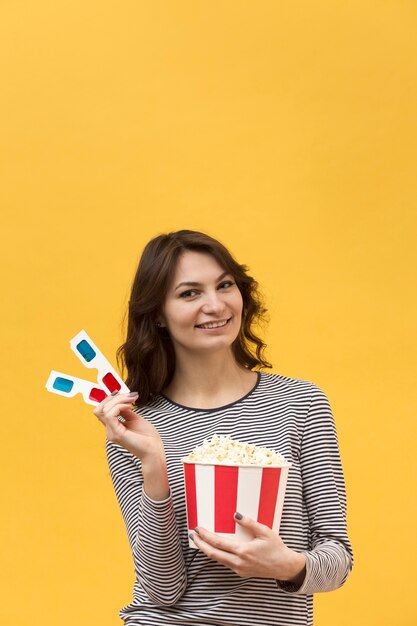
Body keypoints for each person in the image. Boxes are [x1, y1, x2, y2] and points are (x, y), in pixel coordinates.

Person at [94, 229, 353, 626]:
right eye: (189, 293)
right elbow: (162, 588)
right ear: (159, 315)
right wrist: (154, 465)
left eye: (225, 285)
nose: (215, 305)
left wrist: (287, 565)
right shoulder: (137, 424)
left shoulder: (300, 404)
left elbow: (337, 559)